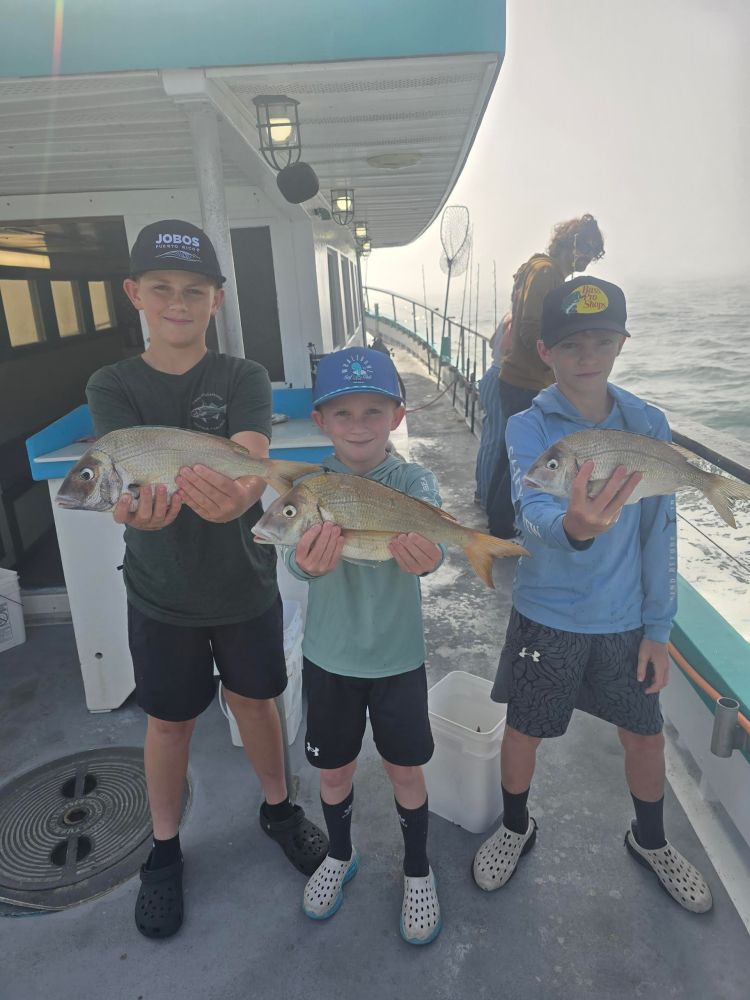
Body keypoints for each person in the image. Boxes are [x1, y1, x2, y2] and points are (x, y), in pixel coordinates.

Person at [86, 220, 327, 939]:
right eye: (161, 288)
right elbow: (120, 489)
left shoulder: (241, 376)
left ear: (216, 300)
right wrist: (130, 512)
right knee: (169, 721)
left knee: (256, 703)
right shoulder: (113, 384)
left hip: (244, 582)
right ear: (135, 294)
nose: (178, 303)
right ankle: (163, 850)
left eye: (194, 290)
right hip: (160, 593)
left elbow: (250, 456)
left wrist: (247, 489)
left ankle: (279, 807)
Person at [472, 276, 712, 914]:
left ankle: (651, 839)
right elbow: (527, 508)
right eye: (573, 343)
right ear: (545, 350)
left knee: (645, 734)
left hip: (626, 621)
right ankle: (516, 826)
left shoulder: (647, 422)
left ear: (622, 344)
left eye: (602, 340)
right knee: (524, 728)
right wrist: (572, 527)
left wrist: (659, 629)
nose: (588, 355)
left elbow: (660, 531)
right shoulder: (531, 425)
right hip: (545, 617)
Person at [283, 346, 444, 945]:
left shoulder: (414, 482)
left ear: (396, 417)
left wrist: (434, 556)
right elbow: (291, 562)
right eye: (343, 413)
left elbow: (438, 549)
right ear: (321, 421)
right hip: (330, 658)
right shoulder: (309, 487)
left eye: (373, 411)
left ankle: (418, 868)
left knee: (406, 770)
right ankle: (340, 854)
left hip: (399, 659)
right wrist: (303, 563)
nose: (358, 425)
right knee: (333, 772)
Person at [486, 214, 604, 538]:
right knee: (524, 457)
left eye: (594, 253)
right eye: (588, 248)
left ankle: (499, 523)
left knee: (507, 454)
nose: (588, 258)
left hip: (519, 378)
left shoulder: (539, 269)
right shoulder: (547, 272)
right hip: (526, 381)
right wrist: (560, 369)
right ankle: (504, 526)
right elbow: (529, 331)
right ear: (573, 242)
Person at [474, 314, 511, 508]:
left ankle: (482, 492)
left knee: (490, 436)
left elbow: (492, 344)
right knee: (496, 442)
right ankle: (488, 498)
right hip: (501, 379)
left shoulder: (508, 316)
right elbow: (506, 347)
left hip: (492, 376)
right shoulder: (516, 319)